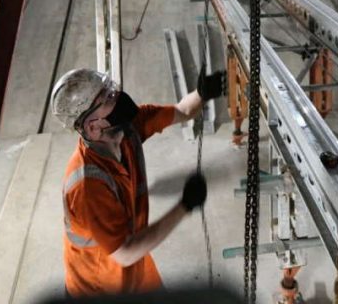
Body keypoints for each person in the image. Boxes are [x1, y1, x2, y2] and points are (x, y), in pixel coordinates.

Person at [50, 67, 226, 297]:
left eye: (111, 90)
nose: (118, 97)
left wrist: (202, 93)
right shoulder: (87, 186)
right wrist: (185, 206)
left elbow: (182, 110)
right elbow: (125, 253)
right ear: (93, 127)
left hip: (136, 276)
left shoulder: (128, 129)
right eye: (108, 98)